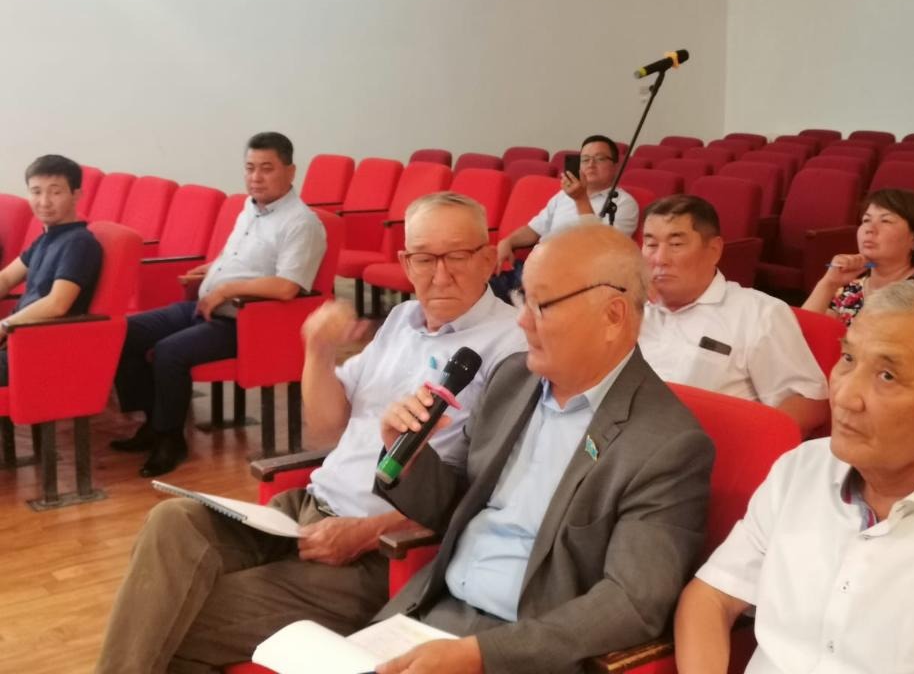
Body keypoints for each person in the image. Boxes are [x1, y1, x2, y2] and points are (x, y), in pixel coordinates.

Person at [94, 193, 526, 674]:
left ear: (488, 258)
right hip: (304, 510)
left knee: (167, 621)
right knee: (173, 521)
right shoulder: (402, 320)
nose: (440, 275)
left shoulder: (511, 347)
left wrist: (366, 533)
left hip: (377, 551)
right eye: (425, 258)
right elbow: (325, 428)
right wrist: (317, 351)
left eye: (457, 256)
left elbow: (485, 495)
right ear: (406, 262)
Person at [371, 223, 714, 674]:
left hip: (523, 650)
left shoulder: (666, 444)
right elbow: (457, 507)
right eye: (522, 298)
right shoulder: (514, 378)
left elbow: (632, 601)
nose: (522, 320)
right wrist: (411, 459)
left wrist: (479, 655)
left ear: (613, 315)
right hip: (431, 613)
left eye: (542, 305)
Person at [674, 280, 914, 674]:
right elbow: (712, 595)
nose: (843, 396)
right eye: (848, 358)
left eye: (887, 377)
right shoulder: (803, 467)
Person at [109, 132, 326, 477]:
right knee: (124, 332)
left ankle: (170, 439)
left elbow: (287, 286)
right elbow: (242, 257)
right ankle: (151, 421)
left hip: (246, 322)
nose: (256, 177)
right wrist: (211, 270)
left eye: (266, 168)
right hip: (208, 307)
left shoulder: (301, 223)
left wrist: (226, 290)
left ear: (290, 171)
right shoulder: (250, 208)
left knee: (169, 352)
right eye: (250, 168)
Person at [639, 194, 829, 433]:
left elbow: (809, 403)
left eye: (676, 244)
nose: (659, 259)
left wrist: (748, 444)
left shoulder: (759, 313)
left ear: (714, 250)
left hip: (703, 445)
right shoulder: (629, 306)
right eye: (651, 245)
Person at [490, 134, 639, 299]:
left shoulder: (623, 203)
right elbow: (534, 229)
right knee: (478, 288)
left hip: (570, 283)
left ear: (615, 166)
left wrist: (581, 199)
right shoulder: (563, 196)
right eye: (585, 159)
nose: (591, 165)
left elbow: (602, 249)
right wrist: (508, 241)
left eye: (600, 159)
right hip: (531, 271)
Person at [0, 155, 102, 385]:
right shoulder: (47, 238)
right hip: (17, 342)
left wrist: (5, 326)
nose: (44, 202)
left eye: (55, 192)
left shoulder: (79, 243)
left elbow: (57, 303)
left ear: (76, 195)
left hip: (37, 351)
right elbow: (6, 279)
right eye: (36, 192)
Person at [803, 188, 914, 326]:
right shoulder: (849, 291)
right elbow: (801, 334)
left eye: (886, 221)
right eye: (866, 220)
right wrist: (829, 283)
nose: (869, 229)